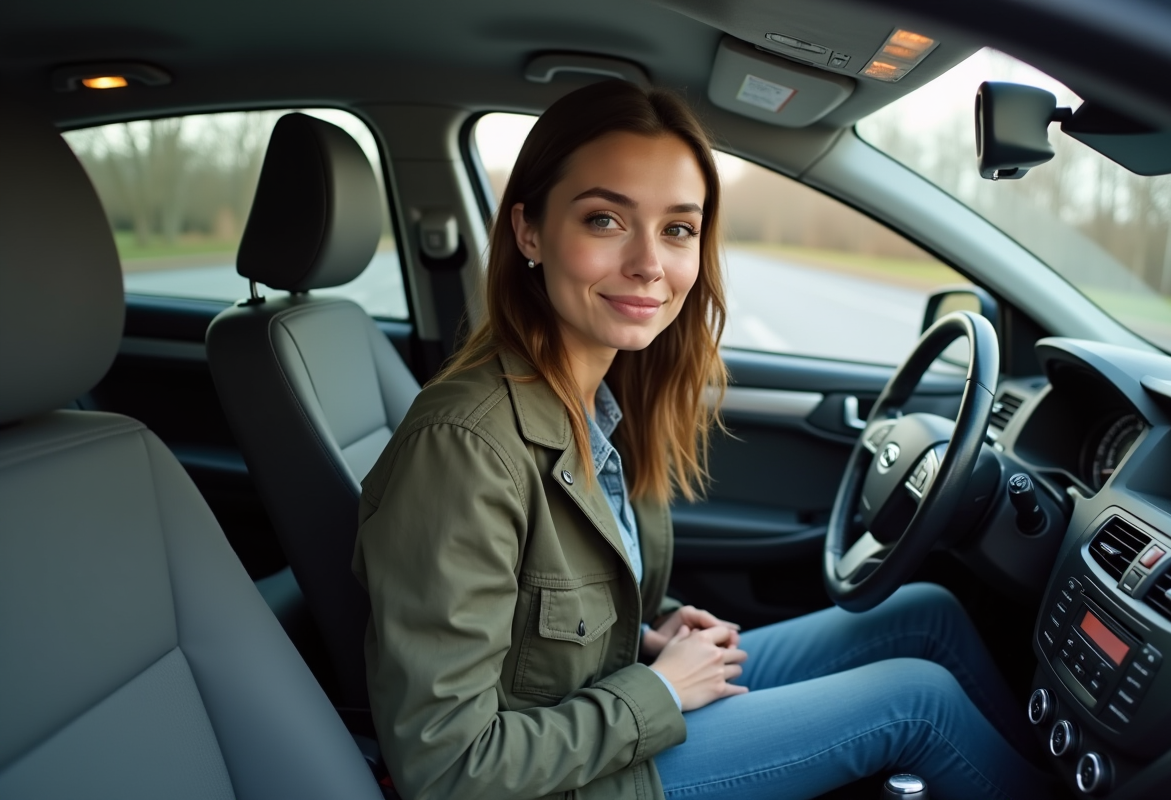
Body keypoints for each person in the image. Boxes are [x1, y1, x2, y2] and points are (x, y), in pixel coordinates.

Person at [352, 80, 1052, 800]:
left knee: (925, 613)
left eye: (678, 229)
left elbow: (545, 614)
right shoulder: (465, 448)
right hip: (571, 781)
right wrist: (658, 688)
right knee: (917, 702)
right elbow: (445, 768)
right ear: (529, 231)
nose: (650, 264)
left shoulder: (598, 398)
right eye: (604, 220)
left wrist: (651, 629)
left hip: (612, 697)